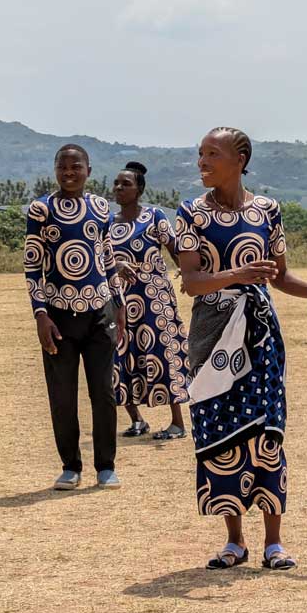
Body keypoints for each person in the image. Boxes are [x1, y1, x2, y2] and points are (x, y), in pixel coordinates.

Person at [177, 126, 307, 571]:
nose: (202, 161)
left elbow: (278, 277)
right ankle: (235, 541)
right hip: (212, 336)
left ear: (239, 159)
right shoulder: (190, 215)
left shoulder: (267, 211)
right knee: (218, 432)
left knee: (266, 431)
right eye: (200, 154)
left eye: (212, 154)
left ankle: (274, 542)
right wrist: (235, 275)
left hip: (259, 335)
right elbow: (191, 282)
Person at [25, 144, 126, 489]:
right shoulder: (41, 210)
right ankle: (71, 466)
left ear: (88, 170)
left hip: (100, 314)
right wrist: (41, 315)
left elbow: (108, 258)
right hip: (58, 317)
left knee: (103, 392)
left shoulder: (100, 208)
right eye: (63, 166)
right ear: (55, 169)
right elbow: (32, 267)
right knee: (63, 394)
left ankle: (105, 467)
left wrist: (120, 306)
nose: (69, 172)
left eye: (76, 166)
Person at [110, 161, 188, 440]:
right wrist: (117, 263)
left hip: (155, 298)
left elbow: (176, 249)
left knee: (163, 353)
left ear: (139, 189)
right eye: (117, 183)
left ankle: (177, 423)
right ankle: (137, 420)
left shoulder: (154, 217)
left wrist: (189, 275)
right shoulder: (108, 224)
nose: (119, 188)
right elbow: (101, 259)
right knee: (120, 357)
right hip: (120, 300)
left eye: (126, 184)